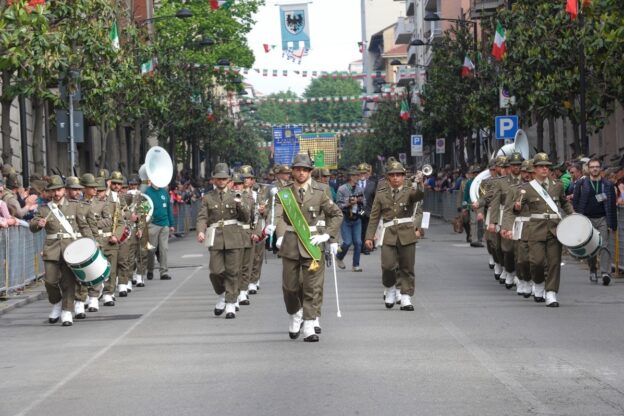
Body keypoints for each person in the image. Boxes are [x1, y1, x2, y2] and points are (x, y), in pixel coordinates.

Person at [272, 154, 342, 342]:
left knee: (312, 286)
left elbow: (336, 214)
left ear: (310, 172)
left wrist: (328, 235)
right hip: (291, 244)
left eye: (305, 169)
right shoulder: (284, 193)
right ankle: (295, 313)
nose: (301, 173)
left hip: (313, 244)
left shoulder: (320, 191)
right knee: (290, 287)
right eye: (298, 169)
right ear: (292, 171)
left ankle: (309, 324)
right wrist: (279, 236)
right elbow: (277, 216)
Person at [29, 175, 95, 326]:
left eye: (59, 189)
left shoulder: (74, 206)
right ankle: (57, 302)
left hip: (70, 249)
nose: (56, 193)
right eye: (53, 191)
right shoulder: (45, 209)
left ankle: (67, 311)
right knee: (50, 281)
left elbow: (84, 226)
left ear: (64, 190)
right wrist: (38, 223)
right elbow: (32, 226)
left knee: (68, 282)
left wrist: (92, 242)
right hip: (51, 249)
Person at [364, 159, 424, 311]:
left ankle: (406, 297)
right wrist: (369, 236)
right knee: (388, 266)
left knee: (407, 267)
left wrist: (420, 183)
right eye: (393, 175)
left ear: (404, 176)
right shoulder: (381, 194)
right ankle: (390, 288)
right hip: (389, 234)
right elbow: (374, 216)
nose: (396, 178)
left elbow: (418, 196)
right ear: (388, 177)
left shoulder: (410, 190)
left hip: (407, 232)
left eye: (399, 175)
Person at [516, 153, 573, 307]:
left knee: (554, 262)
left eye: (547, 166)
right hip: (536, 229)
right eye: (541, 166)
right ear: (534, 169)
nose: (544, 169)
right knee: (536, 262)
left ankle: (551, 293)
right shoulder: (526, 189)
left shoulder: (557, 185)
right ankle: (539, 282)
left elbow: (564, 203)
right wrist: (516, 209)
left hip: (554, 229)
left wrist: (573, 214)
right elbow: (515, 210)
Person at [196, 163, 250, 319]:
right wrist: (201, 231)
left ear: (228, 180)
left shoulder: (236, 195)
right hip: (215, 237)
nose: (221, 181)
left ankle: (231, 303)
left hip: (234, 236)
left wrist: (240, 205)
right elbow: (202, 217)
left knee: (233, 272)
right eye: (218, 179)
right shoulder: (207, 197)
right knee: (215, 271)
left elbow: (246, 217)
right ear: (213, 180)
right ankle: (221, 293)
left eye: (224, 178)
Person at [573, 158, 618, 285]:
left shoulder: (607, 184)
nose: (594, 169)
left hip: (603, 218)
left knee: (604, 245)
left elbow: (612, 205)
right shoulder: (582, 184)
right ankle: (593, 269)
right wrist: (578, 217)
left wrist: (613, 224)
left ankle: (605, 273)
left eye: (597, 166)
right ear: (588, 168)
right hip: (587, 219)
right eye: (592, 167)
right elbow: (576, 201)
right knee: (591, 247)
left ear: (600, 168)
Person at [144, 174, 175, 280]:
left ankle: (164, 272)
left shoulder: (164, 192)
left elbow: (169, 209)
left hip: (164, 224)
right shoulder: (147, 192)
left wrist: (171, 224)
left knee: (164, 249)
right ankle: (150, 269)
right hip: (152, 224)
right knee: (151, 249)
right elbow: (144, 208)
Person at [335, 167, 365, 272]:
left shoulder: (360, 189)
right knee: (347, 242)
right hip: (345, 218)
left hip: (357, 218)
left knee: (358, 242)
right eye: (356, 175)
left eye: (358, 175)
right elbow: (338, 205)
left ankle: (356, 265)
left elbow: (364, 203)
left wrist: (360, 201)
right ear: (350, 177)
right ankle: (339, 257)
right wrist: (348, 203)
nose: (358, 177)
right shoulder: (342, 189)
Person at [358, 163, 376, 254]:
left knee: (367, 229)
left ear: (366, 174)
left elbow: (375, 198)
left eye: (364, 173)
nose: (362, 175)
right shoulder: (354, 184)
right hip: (358, 210)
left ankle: (366, 247)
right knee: (360, 229)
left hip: (368, 210)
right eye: (360, 173)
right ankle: (361, 247)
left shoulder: (372, 184)